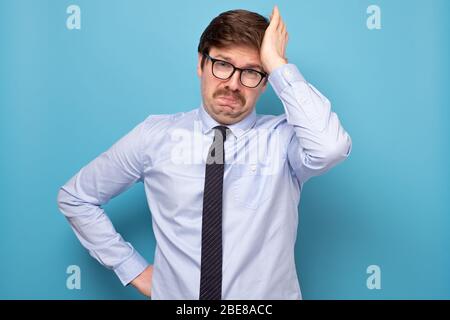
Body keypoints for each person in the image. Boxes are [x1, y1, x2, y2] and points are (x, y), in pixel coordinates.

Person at [57, 6, 352, 300]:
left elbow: (331, 148)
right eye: (222, 64)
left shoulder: (284, 140)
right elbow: (76, 197)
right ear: (201, 63)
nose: (233, 84)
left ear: (265, 82)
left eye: (251, 72)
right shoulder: (154, 137)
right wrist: (132, 269)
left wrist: (278, 65)